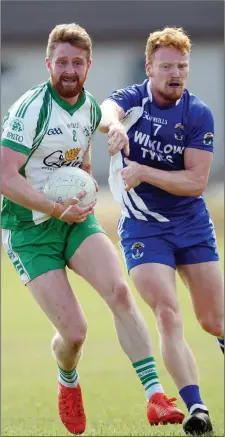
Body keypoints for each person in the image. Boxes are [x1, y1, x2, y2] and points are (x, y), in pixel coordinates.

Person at [1, 23, 187, 436]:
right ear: (49, 63)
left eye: (78, 62)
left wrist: (114, 131)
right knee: (75, 334)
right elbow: (5, 177)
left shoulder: (86, 106)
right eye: (62, 61)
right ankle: (67, 379)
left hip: (74, 219)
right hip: (29, 230)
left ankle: (155, 397)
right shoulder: (30, 110)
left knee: (119, 291)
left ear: (89, 65)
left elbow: (94, 126)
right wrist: (52, 206)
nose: (70, 69)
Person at [99, 26, 224, 436]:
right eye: (167, 65)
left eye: (182, 66)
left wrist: (144, 171)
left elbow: (195, 182)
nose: (176, 73)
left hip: (190, 224)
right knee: (168, 314)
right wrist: (114, 127)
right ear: (149, 67)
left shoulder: (197, 113)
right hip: (142, 229)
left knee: (214, 320)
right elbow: (106, 109)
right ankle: (198, 408)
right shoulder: (134, 100)